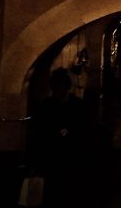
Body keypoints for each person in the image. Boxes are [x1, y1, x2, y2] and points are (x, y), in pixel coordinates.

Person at [31, 67, 90, 206]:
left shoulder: (76, 105)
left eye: (61, 87)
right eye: (56, 88)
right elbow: (40, 131)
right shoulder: (47, 105)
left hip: (70, 157)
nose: (58, 91)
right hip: (53, 157)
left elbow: (83, 128)